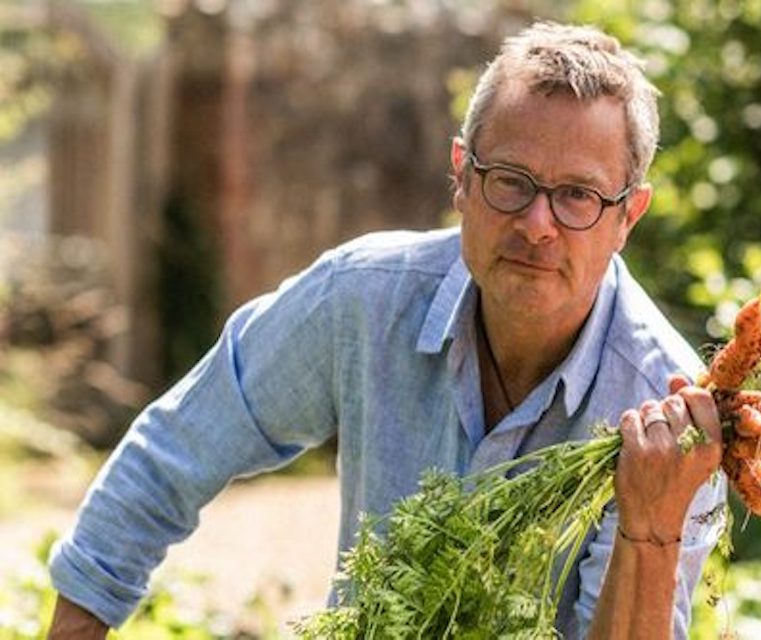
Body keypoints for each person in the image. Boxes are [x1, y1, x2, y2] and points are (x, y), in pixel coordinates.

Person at [48, 21, 726, 639]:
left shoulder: (665, 418)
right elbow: (177, 448)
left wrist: (651, 528)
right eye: (510, 181)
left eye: (577, 195)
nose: (537, 224)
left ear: (627, 217)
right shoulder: (363, 299)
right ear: (461, 176)